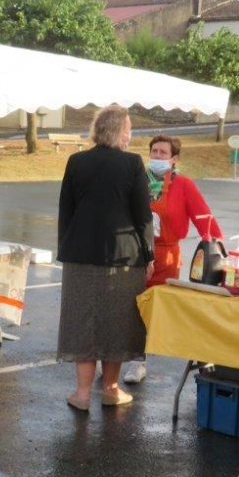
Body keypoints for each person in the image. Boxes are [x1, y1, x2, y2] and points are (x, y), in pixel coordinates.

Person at [57, 105, 153, 411]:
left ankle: (82, 394)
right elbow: (143, 216)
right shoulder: (133, 163)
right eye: (129, 128)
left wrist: (67, 247)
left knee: (83, 322)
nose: (131, 134)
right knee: (116, 323)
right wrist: (149, 254)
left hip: (80, 255)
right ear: (119, 131)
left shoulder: (76, 161)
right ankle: (111, 389)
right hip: (124, 257)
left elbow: (66, 211)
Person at [123, 134, 223, 384]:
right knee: (131, 307)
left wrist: (217, 252)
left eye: (162, 153)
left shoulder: (184, 185)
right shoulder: (137, 182)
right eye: (153, 151)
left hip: (166, 256)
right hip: (135, 254)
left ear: (174, 159)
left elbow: (204, 219)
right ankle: (136, 358)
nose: (156, 156)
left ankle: (196, 356)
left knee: (157, 310)